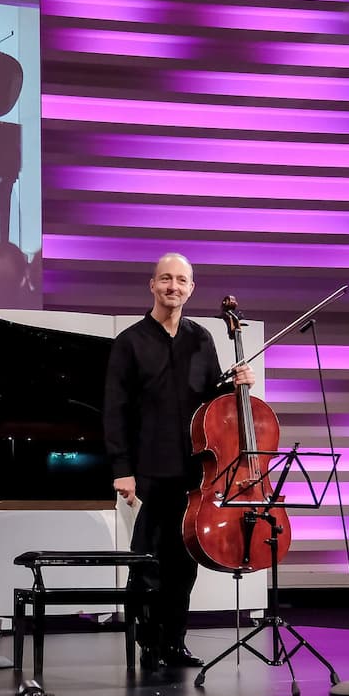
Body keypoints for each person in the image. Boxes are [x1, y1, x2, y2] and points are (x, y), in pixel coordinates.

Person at [103, 253, 254, 671]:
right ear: (152, 285)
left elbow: (213, 403)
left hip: (193, 472)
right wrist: (122, 469)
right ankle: (148, 643)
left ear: (191, 288)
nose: (173, 286)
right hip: (148, 470)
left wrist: (235, 383)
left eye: (181, 280)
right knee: (148, 563)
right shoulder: (130, 342)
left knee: (184, 563)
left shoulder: (201, 339)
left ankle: (175, 641)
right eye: (165, 279)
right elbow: (114, 410)